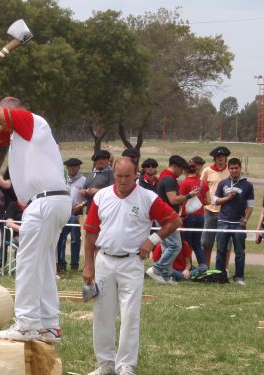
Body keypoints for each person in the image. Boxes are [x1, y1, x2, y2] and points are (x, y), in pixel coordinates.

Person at [0, 72, 71, 343]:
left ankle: (28, 323)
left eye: (3, 112)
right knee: (41, 265)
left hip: (44, 201)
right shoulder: (19, 134)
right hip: (50, 200)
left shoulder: (30, 120)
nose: (0, 118)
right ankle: (49, 325)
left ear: (13, 110)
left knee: (29, 264)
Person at [83, 157, 181, 375]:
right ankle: (105, 364)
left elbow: (174, 221)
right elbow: (90, 232)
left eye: (128, 176)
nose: (123, 181)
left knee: (130, 314)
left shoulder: (148, 197)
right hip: (105, 261)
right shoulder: (101, 196)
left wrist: (152, 241)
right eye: (119, 176)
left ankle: (125, 365)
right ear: (113, 174)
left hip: (131, 263)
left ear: (135, 174)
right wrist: (88, 265)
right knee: (102, 313)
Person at [146, 155, 198, 284]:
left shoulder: (165, 177)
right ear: (175, 166)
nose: (182, 173)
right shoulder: (169, 179)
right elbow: (173, 199)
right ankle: (156, 269)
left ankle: (166, 276)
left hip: (163, 216)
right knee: (175, 245)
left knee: (167, 245)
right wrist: (189, 195)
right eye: (181, 170)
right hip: (167, 217)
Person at [214, 158, 254, 285]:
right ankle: (220, 277)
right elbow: (215, 201)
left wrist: (245, 220)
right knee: (220, 250)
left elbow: (250, 206)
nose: (234, 170)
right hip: (223, 221)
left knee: (239, 252)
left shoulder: (248, 185)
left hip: (238, 223)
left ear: (240, 168)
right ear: (228, 169)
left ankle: (239, 278)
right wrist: (227, 197)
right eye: (231, 168)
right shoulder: (222, 183)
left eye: (236, 168)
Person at [201, 146, 231, 266]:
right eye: (218, 157)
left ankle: (224, 268)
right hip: (209, 211)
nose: (220, 159)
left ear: (226, 158)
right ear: (214, 158)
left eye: (222, 157)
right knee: (207, 242)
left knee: (226, 243)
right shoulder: (207, 171)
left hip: (226, 212)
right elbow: (201, 188)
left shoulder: (230, 171)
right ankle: (206, 266)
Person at [179, 156, 210, 271]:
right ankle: (203, 265)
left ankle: (189, 266)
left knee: (188, 243)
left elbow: (181, 199)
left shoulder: (184, 183)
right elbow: (209, 201)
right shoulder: (203, 183)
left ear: (186, 171)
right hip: (200, 216)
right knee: (197, 243)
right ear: (196, 170)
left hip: (188, 216)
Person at [57, 158, 86, 272]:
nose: (72, 168)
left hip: (76, 213)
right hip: (63, 213)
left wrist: (82, 205)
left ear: (79, 168)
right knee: (61, 239)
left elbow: (87, 198)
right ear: (66, 168)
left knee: (75, 240)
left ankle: (74, 265)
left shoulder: (84, 180)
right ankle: (61, 263)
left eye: (75, 166)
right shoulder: (63, 180)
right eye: (70, 166)